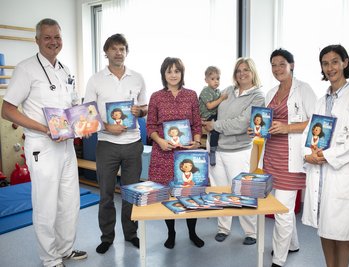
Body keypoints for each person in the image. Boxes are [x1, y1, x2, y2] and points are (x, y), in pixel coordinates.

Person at [1, 18, 87, 267]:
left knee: (70, 201)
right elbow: (7, 111)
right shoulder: (26, 69)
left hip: (66, 145)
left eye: (57, 37)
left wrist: (83, 124)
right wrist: (43, 128)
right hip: (42, 146)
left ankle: (65, 249)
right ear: (37, 40)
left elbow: (73, 106)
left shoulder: (65, 69)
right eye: (47, 37)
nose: (53, 42)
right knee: (46, 204)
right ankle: (50, 258)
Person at [302, 44, 349, 267]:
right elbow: (309, 134)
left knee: (342, 232)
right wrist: (307, 155)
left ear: (345, 63)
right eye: (325, 63)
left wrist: (325, 156)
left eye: (334, 61)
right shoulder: (322, 100)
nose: (330, 67)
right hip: (321, 173)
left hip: (343, 175)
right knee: (325, 228)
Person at [249, 49, 316, 267]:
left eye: (282, 64)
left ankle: (278, 259)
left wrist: (287, 127)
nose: (277, 69)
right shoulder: (270, 93)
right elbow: (266, 123)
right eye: (273, 65)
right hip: (271, 157)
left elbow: (316, 123)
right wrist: (257, 130)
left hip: (292, 160)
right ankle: (293, 244)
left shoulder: (303, 90)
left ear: (292, 65)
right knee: (281, 206)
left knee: (283, 211)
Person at [84, 33, 148, 254]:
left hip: (133, 143)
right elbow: (87, 113)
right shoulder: (95, 79)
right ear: (106, 52)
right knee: (106, 195)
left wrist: (140, 111)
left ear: (126, 52)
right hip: (107, 144)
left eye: (122, 49)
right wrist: (106, 126)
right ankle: (107, 237)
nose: (118, 52)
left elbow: (145, 107)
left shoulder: (137, 77)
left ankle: (131, 234)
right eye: (114, 49)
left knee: (131, 193)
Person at [202, 57, 265, 245]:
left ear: (253, 72)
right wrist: (206, 123)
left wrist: (214, 125)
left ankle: (250, 232)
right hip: (216, 149)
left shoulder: (258, 96)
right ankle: (223, 227)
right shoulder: (228, 91)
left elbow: (242, 123)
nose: (242, 73)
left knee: (243, 191)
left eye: (246, 70)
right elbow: (210, 109)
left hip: (238, 151)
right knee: (220, 191)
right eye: (238, 70)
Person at [146, 57, 204, 249]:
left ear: (182, 74)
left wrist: (196, 141)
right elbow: (151, 125)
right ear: (163, 74)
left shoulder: (191, 95)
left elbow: (197, 123)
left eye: (177, 71)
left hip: (186, 154)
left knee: (189, 193)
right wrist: (160, 141)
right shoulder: (156, 96)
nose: (173, 75)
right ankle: (171, 233)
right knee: (167, 194)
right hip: (164, 153)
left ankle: (192, 232)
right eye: (169, 71)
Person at [198, 66, 228, 166]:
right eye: (212, 79)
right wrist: (222, 99)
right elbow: (210, 106)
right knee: (215, 128)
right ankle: (213, 151)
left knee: (223, 122)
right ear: (206, 80)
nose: (216, 81)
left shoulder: (217, 91)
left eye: (218, 79)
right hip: (207, 116)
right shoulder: (206, 91)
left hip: (214, 114)